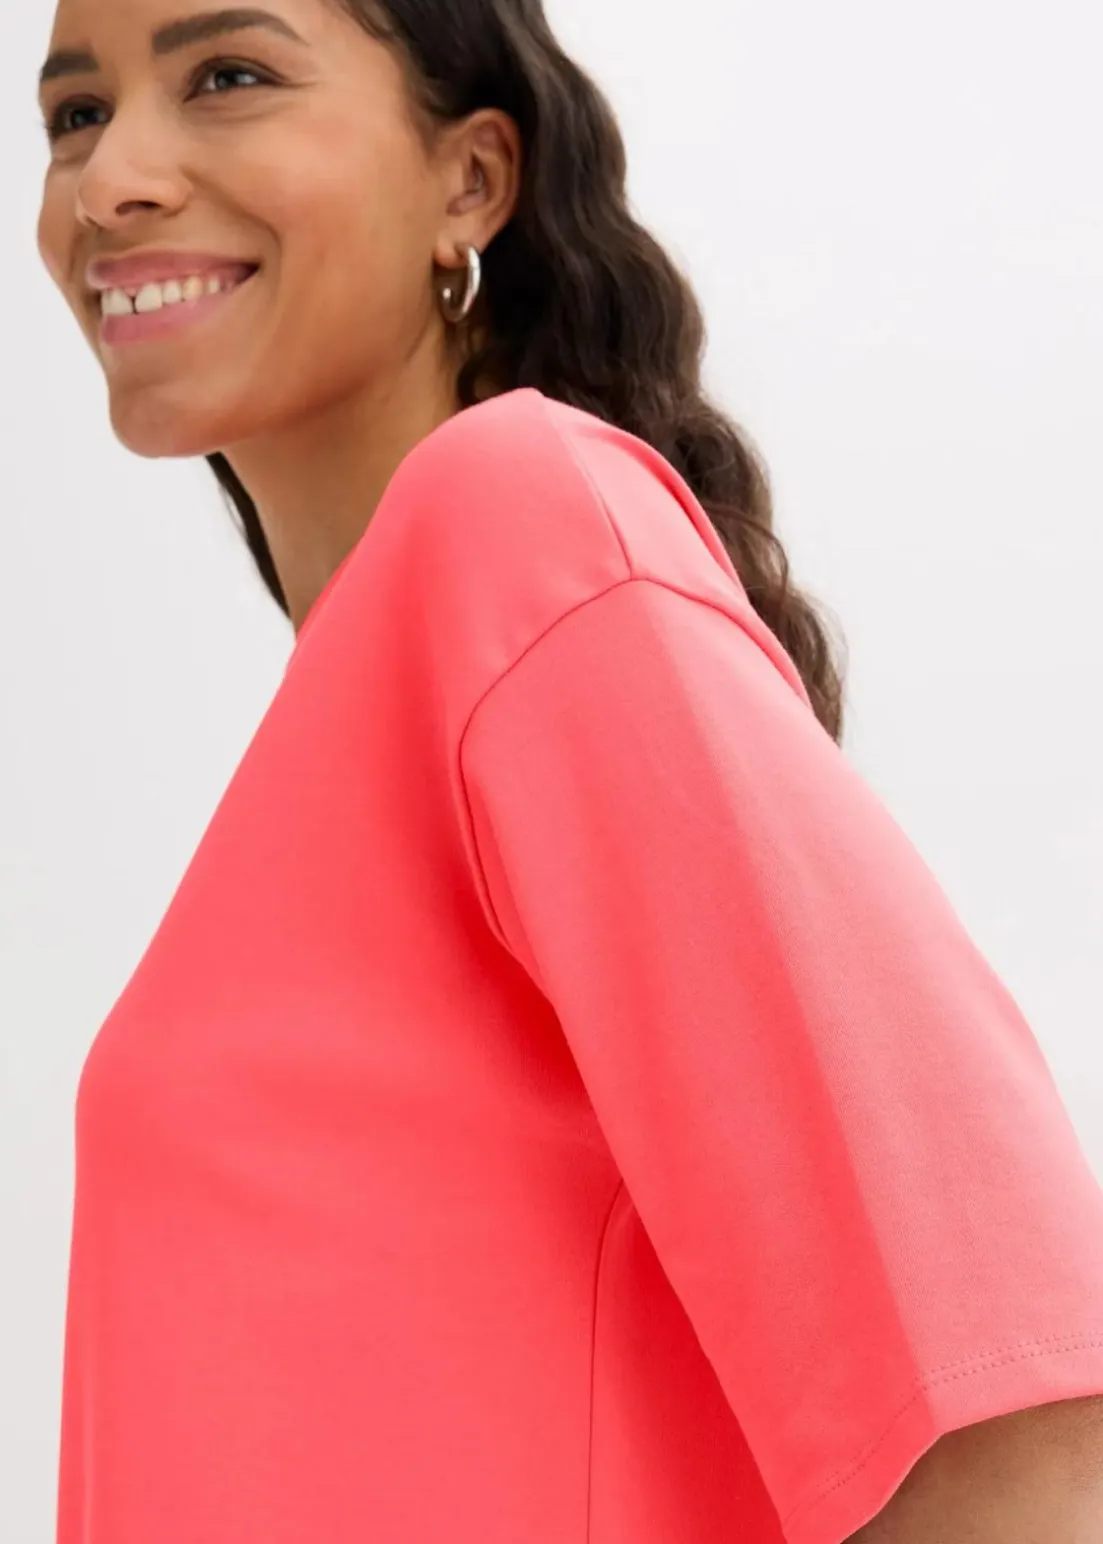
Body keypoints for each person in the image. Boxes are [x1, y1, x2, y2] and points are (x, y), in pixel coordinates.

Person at [35, 1, 1103, 1542]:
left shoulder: (519, 529)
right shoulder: (367, 708)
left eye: (230, 76)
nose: (112, 177)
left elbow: (999, 1404)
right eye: (74, 115)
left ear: (470, 179)